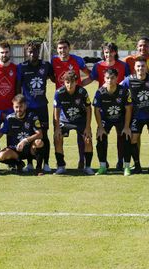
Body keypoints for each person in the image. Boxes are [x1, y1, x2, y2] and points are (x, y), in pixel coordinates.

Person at [84, 42, 130, 170]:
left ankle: (121, 162)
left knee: (122, 137)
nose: (108, 54)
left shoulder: (123, 65)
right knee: (102, 135)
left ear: (115, 52)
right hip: (103, 104)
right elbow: (91, 78)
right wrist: (78, 86)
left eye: (110, 52)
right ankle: (103, 164)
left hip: (120, 104)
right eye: (105, 52)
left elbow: (129, 80)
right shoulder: (98, 65)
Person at [51, 39, 92, 170]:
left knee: (83, 136)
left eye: (65, 48)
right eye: (60, 48)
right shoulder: (53, 61)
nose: (62, 51)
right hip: (62, 102)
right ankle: (60, 164)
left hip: (77, 101)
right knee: (58, 135)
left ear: (69, 48)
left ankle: (83, 161)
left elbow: (90, 74)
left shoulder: (77, 60)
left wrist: (80, 85)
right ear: (57, 50)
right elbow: (51, 76)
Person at [16, 41, 55, 173]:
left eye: (35, 51)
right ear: (26, 53)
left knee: (44, 135)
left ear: (39, 52)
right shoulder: (22, 67)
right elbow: (18, 87)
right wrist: (19, 105)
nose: (33, 54)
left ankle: (46, 163)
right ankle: (30, 163)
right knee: (29, 134)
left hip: (42, 106)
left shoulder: (46, 65)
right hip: (28, 108)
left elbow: (55, 79)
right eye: (30, 51)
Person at [120, 56, 149, 174]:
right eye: (138, 66)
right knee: (134, 140)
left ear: (147, 67)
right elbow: (118, 88)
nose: (140, 68)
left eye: (143, 66)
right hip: (136, 116)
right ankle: (137, 165)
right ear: (134, 67)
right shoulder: (129, 80)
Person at [93, 69, 133, 176]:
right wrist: (100, 127)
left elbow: (128, 109)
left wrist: (127, 126)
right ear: (104, 79)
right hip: (106, 119)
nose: (110, 80)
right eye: (107, 78)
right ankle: (103, 166)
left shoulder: (123, 91)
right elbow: (96, 110)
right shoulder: (100, 92)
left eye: (112, 78)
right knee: (100, 137)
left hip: (121, 118)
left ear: (117, 78)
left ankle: (127, 167)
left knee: (126, 136)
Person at [53, 71, 93, 175]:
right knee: (57, 138)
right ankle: (61, 166)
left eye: (72, 82)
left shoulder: (82, 92)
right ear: (64, 82)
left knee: (87, 139)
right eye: (67, 82)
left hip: (80, 119)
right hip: (64, 120)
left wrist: (88, 127)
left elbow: (89, 109)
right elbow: (56, 111)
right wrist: (57, 128)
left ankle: (88, 167)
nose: (69, 85)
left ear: (76, 82)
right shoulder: (59, 93)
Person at [0, 94, 44, 175]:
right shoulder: (9, 118)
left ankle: (38, 169)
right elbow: (1, 132)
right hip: (15, 150)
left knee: (39, 142)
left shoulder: (32, 116)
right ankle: (19, 163)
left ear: (25, 106)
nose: (18, 109)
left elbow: (40, 134)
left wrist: (25, 141)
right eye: (16, 107)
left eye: (21, 107)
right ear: (13, 106)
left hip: (29, 149)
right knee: (1, 156)